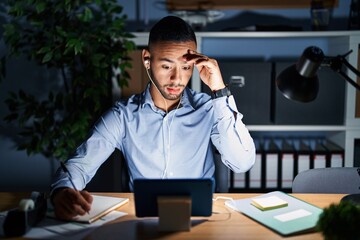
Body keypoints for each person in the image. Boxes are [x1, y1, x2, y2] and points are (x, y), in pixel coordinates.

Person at [50, 15, 256, 221]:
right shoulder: (123, 116)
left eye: (185, 68)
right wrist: (62, 190)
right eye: (166, 67)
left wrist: (219, 92)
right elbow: (79, 165)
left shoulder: (209, 109)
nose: (177, 79)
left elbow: (242, 163)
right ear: (147, 60)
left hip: (200, 219)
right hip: (144, 220)